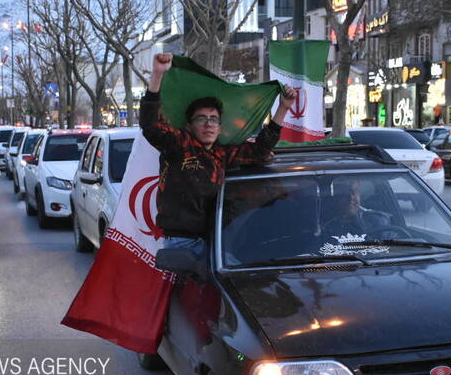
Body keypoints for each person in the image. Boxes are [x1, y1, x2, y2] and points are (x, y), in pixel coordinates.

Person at [141, 52, 296, 258]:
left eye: (214, 119)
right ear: (189, 125)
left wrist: (283, 108)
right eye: (201, 119)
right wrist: (158, 74)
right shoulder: (178, 144)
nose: (208, 124)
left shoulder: (222, 153)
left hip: (217, 242)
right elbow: (151, 125)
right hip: (182, 244)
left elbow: (260, 151)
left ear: (220, 128)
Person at [322, 177, 390, 237]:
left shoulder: (377, 220)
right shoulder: (323, 224)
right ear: (336, 197)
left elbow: (390, 247)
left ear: (359, 194)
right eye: (345, 193)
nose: (351, 197)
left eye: (354, 192)